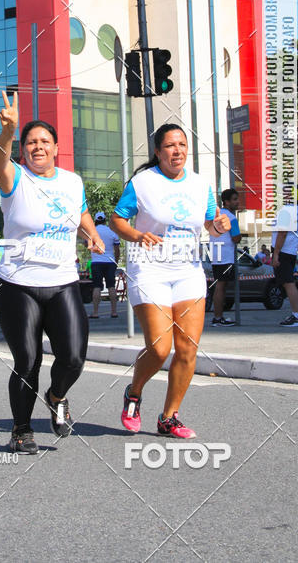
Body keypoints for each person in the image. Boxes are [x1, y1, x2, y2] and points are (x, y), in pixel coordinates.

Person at [0, 91, 104, 455]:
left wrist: (92, 234)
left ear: (56, 147)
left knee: (73, 357)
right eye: (30, 142)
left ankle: (57, 397)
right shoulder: (15, 178)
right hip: (17, 285)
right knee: (28, 359)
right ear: (22, 149)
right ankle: (21, 430)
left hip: (62, 282)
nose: (37, 147)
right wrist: (7, 132)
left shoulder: (72, 182)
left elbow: (81, 211)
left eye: (44, 141)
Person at [111, 123, 230, 438]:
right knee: (160, 347)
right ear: (157, 151)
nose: (176, 151)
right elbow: (117, 220)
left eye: (181, 145)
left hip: (187, 270)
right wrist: (137, 235)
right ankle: (134, 392)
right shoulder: (142, 183)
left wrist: (220, 224)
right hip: (149, 269)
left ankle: (169, 417)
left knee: (188, 348)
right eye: (169, 146)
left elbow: (211, 224)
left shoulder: (200, 185)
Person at [208, 188, 241, 326]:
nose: (237, 202)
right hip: (226, 256)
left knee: (219, 285)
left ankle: (218, 316)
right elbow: (236, 238)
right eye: (234, 199)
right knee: (221, 286)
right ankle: (218, 317)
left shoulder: (216, 215)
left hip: (216, 254)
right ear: (226, 202)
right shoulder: (231, 218)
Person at [271, 193, 298, 327]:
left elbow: (282, 232)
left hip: (283, 251)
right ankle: (296, 314)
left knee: (288, 283)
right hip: (290, 250)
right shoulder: (297, 209)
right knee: (288, 282)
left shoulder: (287, 210)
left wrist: (276, 254)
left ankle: (296, 315)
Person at [90, 212, 120, 319]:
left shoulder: (92, 232)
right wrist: (116, 262)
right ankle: (114, 312)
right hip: (110, 262)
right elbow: (117, 249)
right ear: (105, 220)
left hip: (96, 262)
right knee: (111, 286)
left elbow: (86, 244)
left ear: (95, 220)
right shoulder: (111, 231)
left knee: (97, 287)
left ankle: (95, 312)